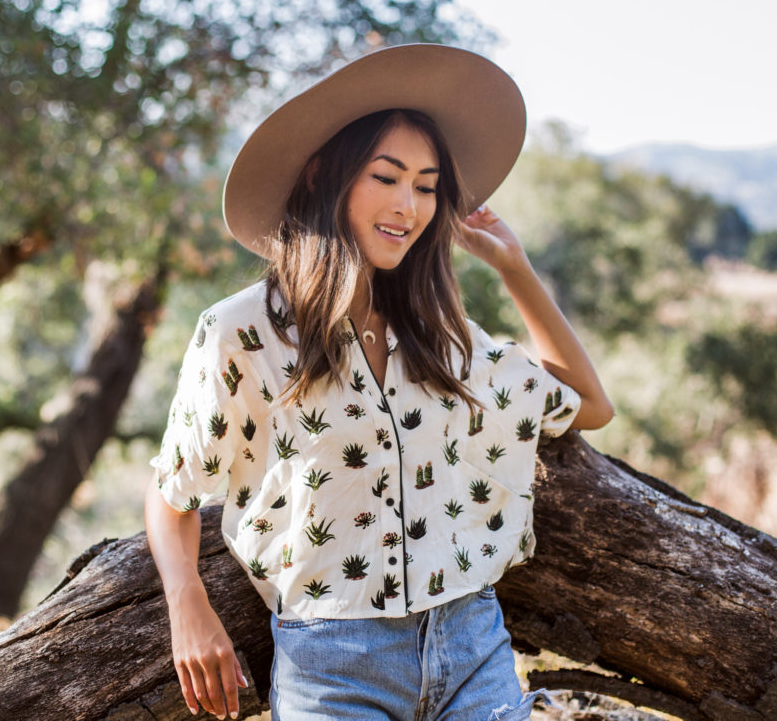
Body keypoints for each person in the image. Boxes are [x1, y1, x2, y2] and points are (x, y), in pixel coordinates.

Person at [145, 43, 614, 721]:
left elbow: (588, 404)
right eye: (388, 177)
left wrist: (516, 268)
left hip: (472, 645)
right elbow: (173, 489)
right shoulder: (241, 332)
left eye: (427, 186)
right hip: (332, 663)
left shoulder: (439, 333)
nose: (409, 205)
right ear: (321, 177)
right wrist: (187, 603)